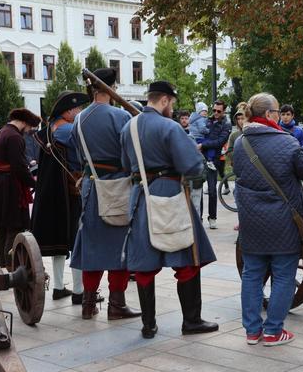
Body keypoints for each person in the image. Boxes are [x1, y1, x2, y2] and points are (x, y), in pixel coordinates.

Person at [120, 80, 219, 339]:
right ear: (163, 100)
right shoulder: (170, 127)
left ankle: (148, 325)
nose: (172, 109)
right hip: (170, 195)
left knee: (143, 264)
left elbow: (124, 164)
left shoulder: (127, 127)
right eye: (172, 103)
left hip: (140, 197)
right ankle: (192, 321)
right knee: (187, 259)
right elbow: (193, 166)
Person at [234, 93, 303, 346]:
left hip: (251, 219)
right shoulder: (288, 142)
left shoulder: (240, 143)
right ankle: (272, 331)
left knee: (251, 274)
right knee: (283, 275)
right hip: (283, 220)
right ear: (270, 114)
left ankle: (252, 331)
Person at [69, 68, 141, 320]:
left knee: (92, 246)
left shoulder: (78, 119)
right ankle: (117, 305)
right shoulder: (120, 117)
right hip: (117, 187)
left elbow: (78, 157)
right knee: (119, 249)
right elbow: (129, 156)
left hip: (91, 188)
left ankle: (88, 305)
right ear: (113, 87)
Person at [31, 91, 90, 304]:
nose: (81, 112)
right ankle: (79, 291)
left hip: (54, 191)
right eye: (78, 109)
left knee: (60, 242)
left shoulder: (49, 129)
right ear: (68, 111)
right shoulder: (67, 129)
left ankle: (58, 287)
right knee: (76, 241)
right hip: (71, 191)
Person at [0, 108, 41, 269]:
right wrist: (34, 183)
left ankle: (3, 268)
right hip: (10, 187)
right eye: (30, 127)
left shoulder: (1, 133)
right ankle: (10, 270)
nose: (29, 131)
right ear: (24, 122)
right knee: (13, 228)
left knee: (2, 229)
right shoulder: (15, 137)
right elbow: (19, 167)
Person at [200, 100, 231, 229]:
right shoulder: (207, 120)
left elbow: (219, 142)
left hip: (214, 159)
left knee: (212, 191)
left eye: (219, 111)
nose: (216, 113)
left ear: (224, 111)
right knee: (198, 190)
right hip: (201, 157)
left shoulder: (226, 124)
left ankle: (212, 218)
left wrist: (203, 144)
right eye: (214, 110)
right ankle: (199, 217)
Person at [189, 102, 214, 169]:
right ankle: (210, 160)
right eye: (203, 111)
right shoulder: (200, 119)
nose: (205, 113)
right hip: (199, 138)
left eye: (206, 111)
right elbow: (202, 129)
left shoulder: (193, 119)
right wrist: (209, 131)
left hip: (194, 138)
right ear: (199, 112)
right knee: (210, 144)